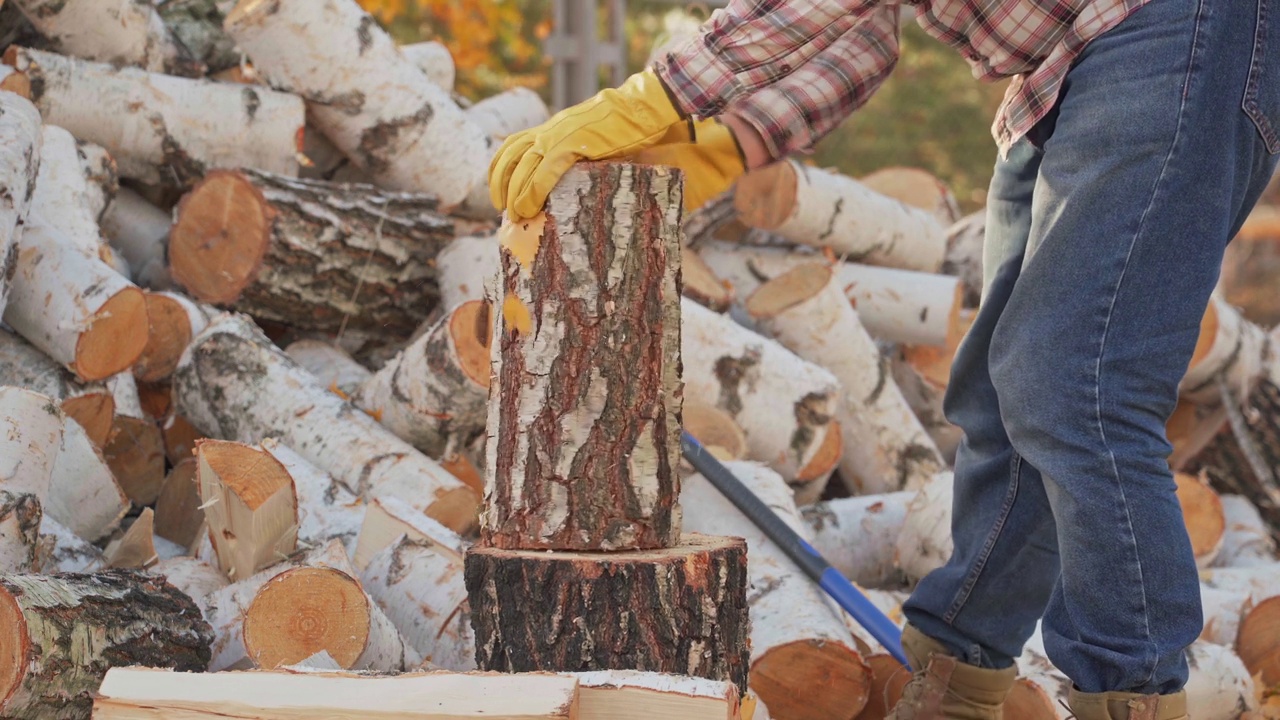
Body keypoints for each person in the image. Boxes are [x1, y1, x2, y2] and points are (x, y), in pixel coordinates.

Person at [488, 1, 1280, 718]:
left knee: (1075, 382)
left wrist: (654, 97)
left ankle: (1132, 693)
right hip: (1070, 68)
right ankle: (956, 681)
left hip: (1176, 32)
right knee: (1002, 393)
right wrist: (734, 139)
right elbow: (860, 35)